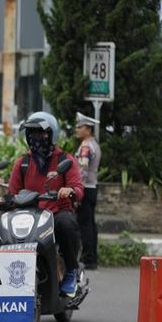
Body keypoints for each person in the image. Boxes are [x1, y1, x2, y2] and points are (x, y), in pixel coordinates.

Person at [0, 111, 84, 296]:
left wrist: (70, 191)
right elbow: (12, 193)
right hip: (29, 214)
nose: (37, 138)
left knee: (66, 223)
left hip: (56, 212)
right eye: (32, 134)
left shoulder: (65, 160)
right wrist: (3, 201)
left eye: (41, 133)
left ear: (52, 134)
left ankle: (70, 271)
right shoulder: (23, 162)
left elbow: (78, 188)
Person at [75, 112, 101, 270]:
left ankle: (88, 259)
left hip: (85, 189)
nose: (77, 129)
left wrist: (78, 192)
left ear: (88, 129)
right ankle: (91, 257)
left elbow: (82, 170)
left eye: (80, 127)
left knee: (85, 225)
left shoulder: (86, 147)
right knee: (90, 224)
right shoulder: (94, 144)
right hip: (92, 188)